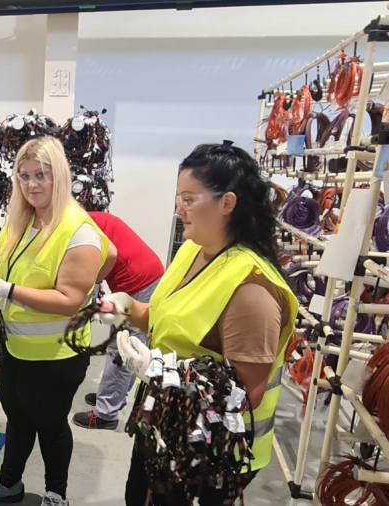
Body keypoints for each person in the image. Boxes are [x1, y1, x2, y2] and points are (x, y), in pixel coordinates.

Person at [98, 141, 297, 506]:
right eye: (179, 198)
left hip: (211, 453)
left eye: (189, 199)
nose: (179, 209)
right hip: (166, 427)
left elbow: (244, 395)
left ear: (227, 203)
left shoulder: (251, 289)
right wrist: (128, 309)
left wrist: (159, 373)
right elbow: (171, 319)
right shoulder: (194, 249)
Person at [0, 137, 110, 506]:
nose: (32, 184)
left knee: (50, 426)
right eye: (24, 175)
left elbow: (69, 301)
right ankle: (9, 484)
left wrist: (8, 290)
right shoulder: (21, 219)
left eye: (41, 175)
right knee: (18, 419)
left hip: (56, 357)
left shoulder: (78, 231)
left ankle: (56, 494)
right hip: (13, 347)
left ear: (59, 176)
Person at [72, 211, 164, 430]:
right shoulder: (84, 217)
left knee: (122, 348)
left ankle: (105, 414)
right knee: (129, 344)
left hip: (138, 281)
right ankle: (114, 397)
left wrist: (95, 281)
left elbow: (110, 254)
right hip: (146, 274)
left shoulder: (74, 224)